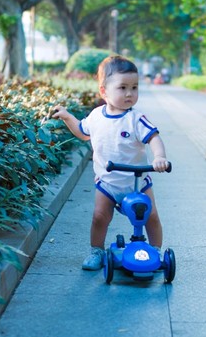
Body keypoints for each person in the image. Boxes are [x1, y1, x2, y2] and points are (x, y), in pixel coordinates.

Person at [53, 55, 170, 270]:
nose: (129, 93)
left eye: (134, 88)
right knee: (99, 217)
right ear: (104, 91)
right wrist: (67, 116)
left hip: (137, 183)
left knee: (151, 216)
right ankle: (96, 250)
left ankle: (156, 251)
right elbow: (82, 131)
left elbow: (153, 137)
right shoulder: (96, 116)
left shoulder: (136, 118)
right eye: (122, 87)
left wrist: (159, 157)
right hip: (107, 183)